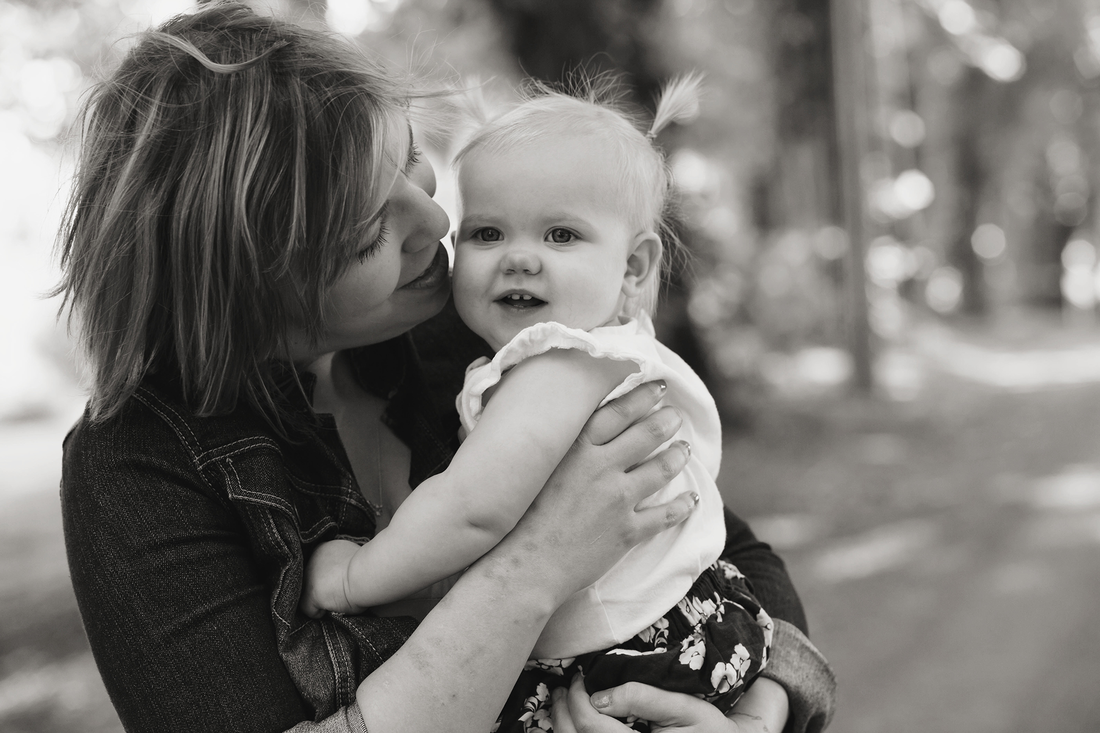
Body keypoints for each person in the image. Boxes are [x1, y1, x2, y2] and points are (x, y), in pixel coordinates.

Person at [54, 4, 835, 733]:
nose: (436, 221)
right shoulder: (137, 467)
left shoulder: (487, 330)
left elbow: (727, 549)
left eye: (410, 158)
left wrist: (755, 715)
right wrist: (532, 569)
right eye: (367, 237)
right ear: (246, 293)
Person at [301, 77, 774, 732]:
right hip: (696, 621)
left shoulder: (560, 362)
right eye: (488, 232)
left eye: (560, 235)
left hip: (628, 654)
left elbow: (471, 509)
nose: (520, 258)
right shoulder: (607, 348)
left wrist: (356, 577)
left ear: (634, 269)